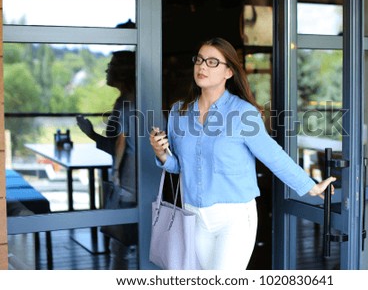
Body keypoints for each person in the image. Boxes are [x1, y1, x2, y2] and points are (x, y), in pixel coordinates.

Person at [149, 37, 335, 270]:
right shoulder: (179, 111)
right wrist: (162, 154)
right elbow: (181, 166)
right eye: (199, 60)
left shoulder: (242, 113)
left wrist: (311, 186)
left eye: (212, 62)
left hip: (234, 218)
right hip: (193, 216)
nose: (202, 66)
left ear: (228, 72)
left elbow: (273, 156)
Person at [76, 50, 137, 270]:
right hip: (134, 182)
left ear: (122, 71)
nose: (106, 70)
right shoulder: (127, 100)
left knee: (121, 246)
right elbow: (117, 145)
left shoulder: (127, 104)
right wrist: (91, 134)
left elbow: (120, 145)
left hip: (129, 183)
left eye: (110, 65)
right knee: (124, 245)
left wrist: (116, 177)